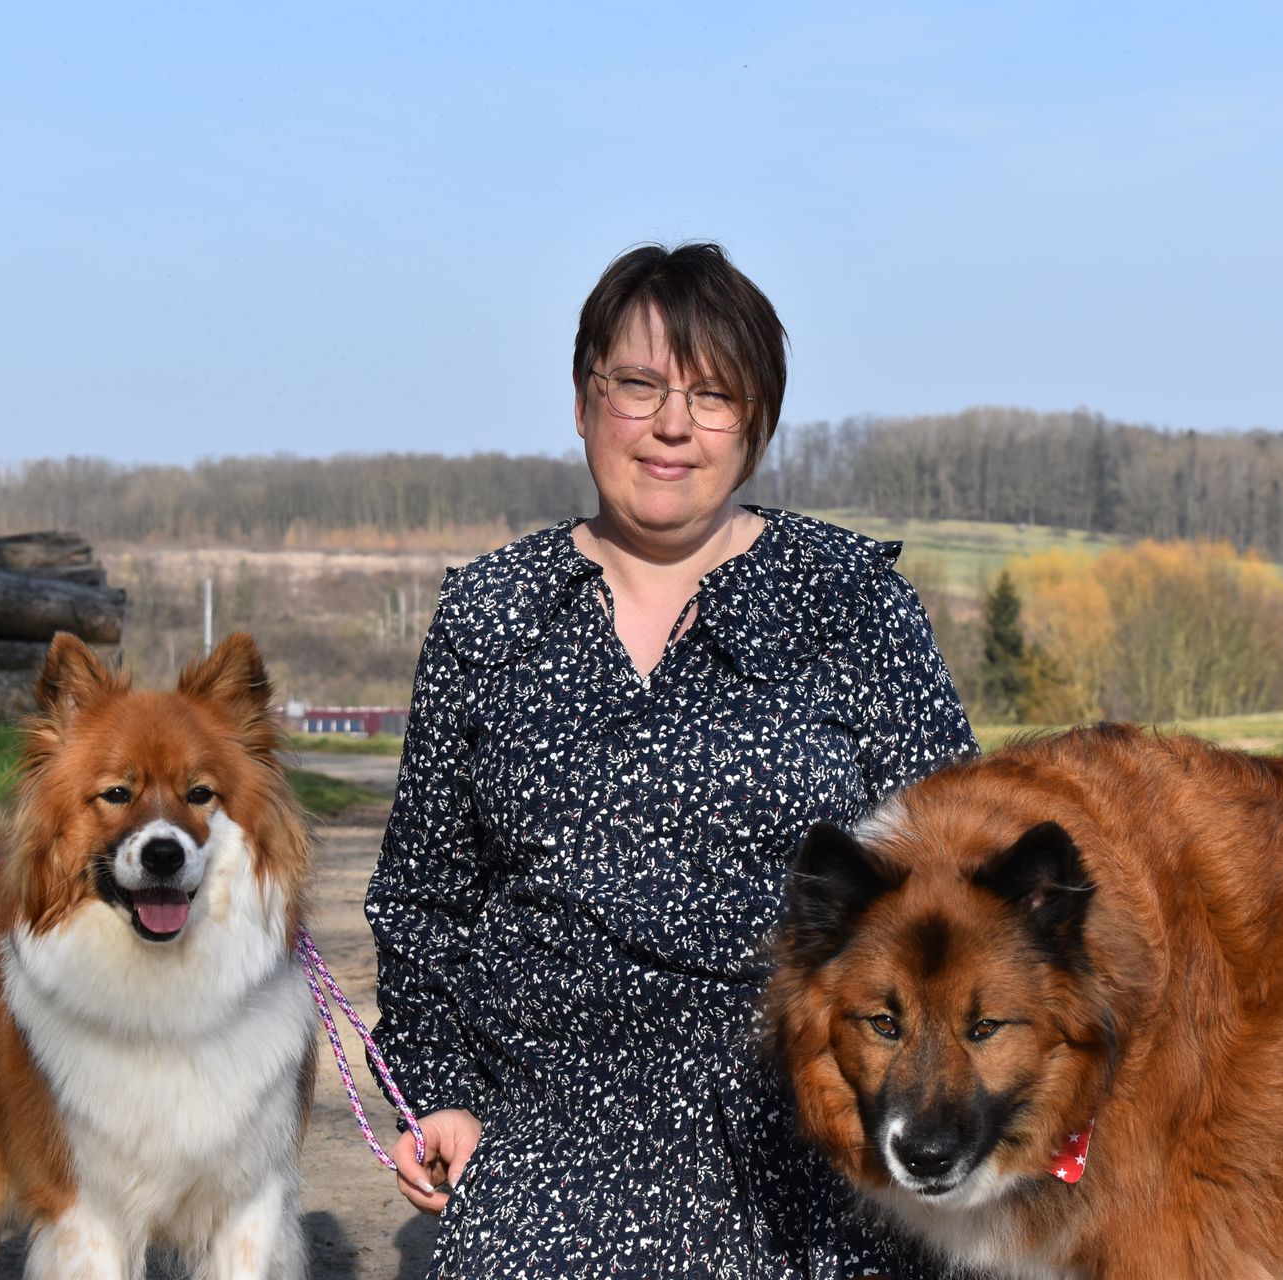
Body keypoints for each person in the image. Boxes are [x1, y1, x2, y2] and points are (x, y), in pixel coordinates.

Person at [366, 242, 977, 1278]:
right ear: (581, 398)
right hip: (550, 1129)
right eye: (639, 384)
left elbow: (964, 886)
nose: (671, 424)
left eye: (713, 395)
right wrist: (443, 1090)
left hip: (814, 1126)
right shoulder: (488, 614)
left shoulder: (849, 603)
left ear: (757, 422)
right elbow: (425, 899)